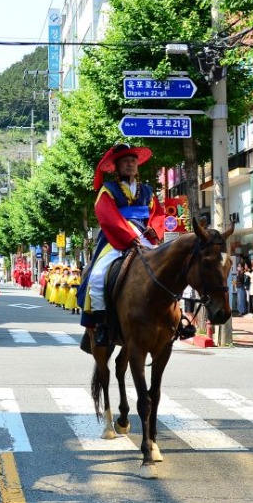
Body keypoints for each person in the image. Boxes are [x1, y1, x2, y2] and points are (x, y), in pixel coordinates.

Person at [78, 143, 165, 350]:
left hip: (144, 238)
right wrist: (127, 236)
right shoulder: (108, 190)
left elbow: (157, 214)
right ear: (116, 166)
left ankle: (174, 320)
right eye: (126, 161)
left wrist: (154, 229)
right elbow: (108, 216)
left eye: (133, 161)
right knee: (97, 276)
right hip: (115, 240)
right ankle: (100, 323)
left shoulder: (147, 191)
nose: (130, 164)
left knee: (170, 268)